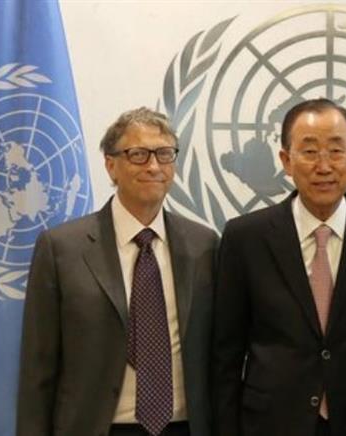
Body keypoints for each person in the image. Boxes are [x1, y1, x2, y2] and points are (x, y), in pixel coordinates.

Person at [211, 98, 346, 436]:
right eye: (309, 151)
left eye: (336, 151)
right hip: (271, 424)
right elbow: (226, 356)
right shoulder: (245, 238)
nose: (324, 166)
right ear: (286, 160)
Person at [17, 108, 219, 436]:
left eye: (164, 154)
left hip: (184, 427)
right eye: (138, 155)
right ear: (111, 165)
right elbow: (38, 366)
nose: (153, 166)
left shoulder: (204, 245)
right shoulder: (61, 248)